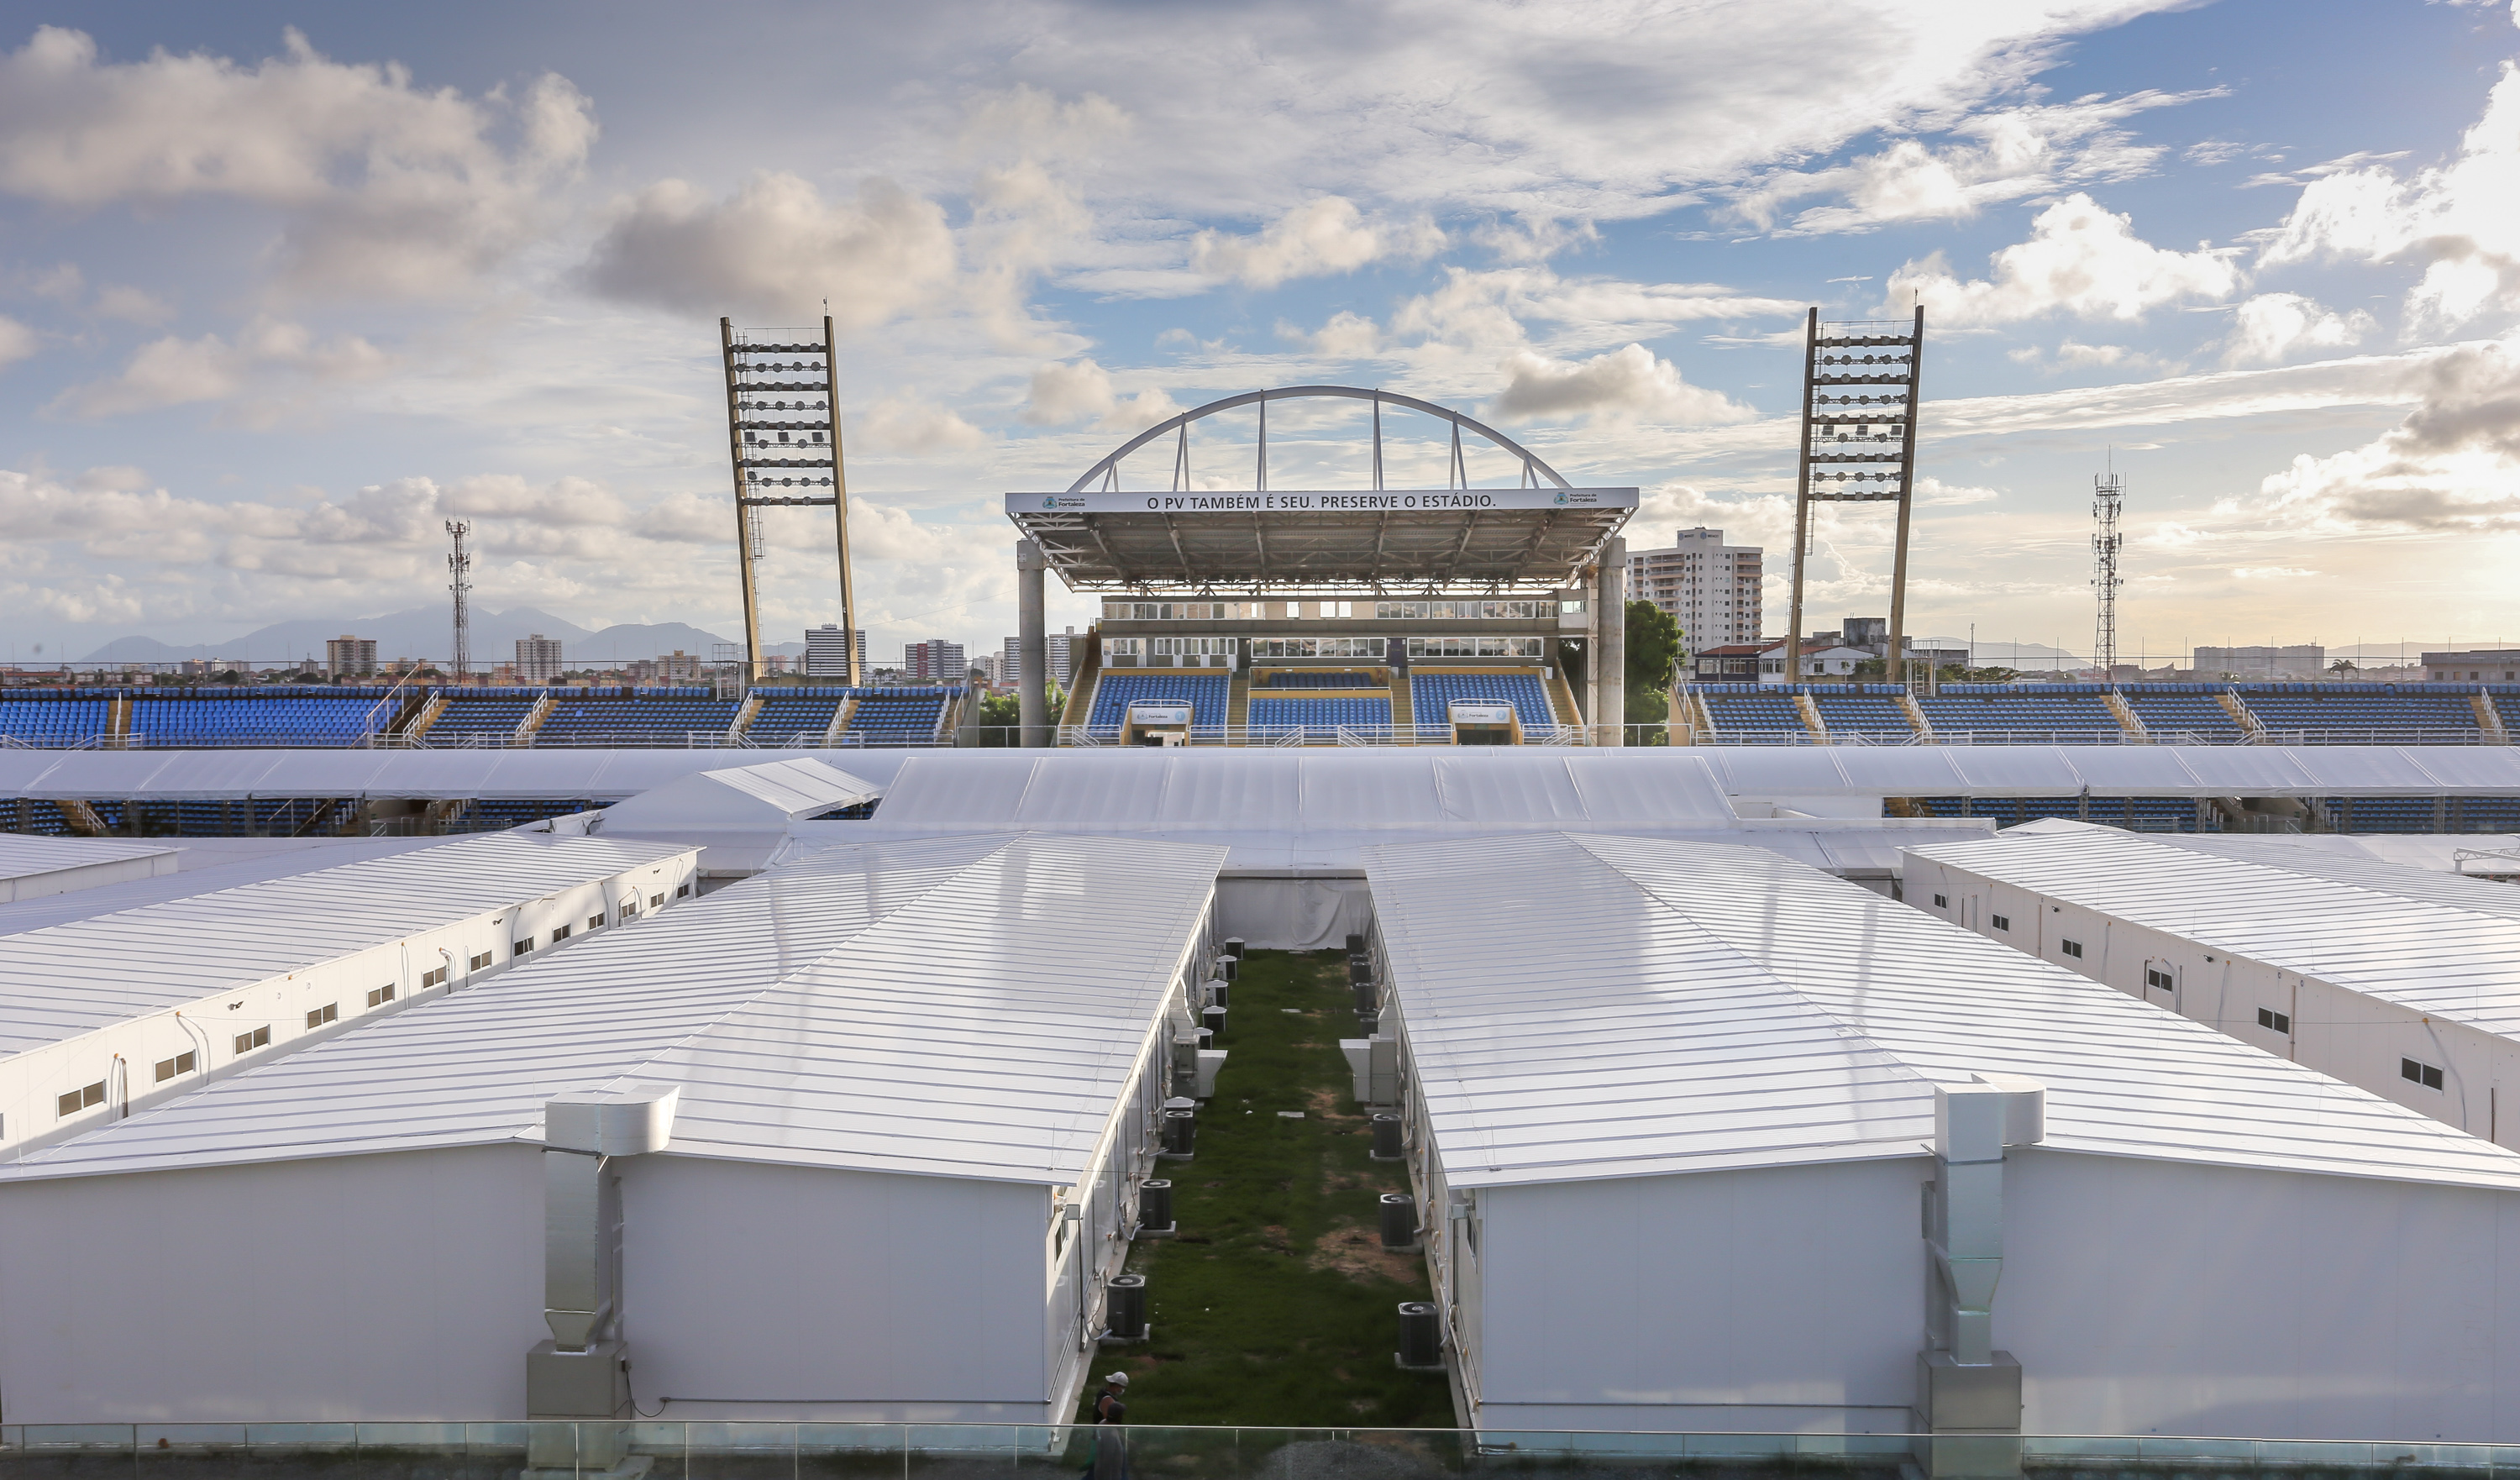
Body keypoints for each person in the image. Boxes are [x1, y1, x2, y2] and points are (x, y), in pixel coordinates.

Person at [1083, 1372, 1129, 1480]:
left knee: (1097, 1466)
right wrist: (1125, 1439)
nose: (1122, 1390)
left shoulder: (1102, 1393)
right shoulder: (1108, 1400)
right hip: (1106, 1438)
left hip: (1101, 1436)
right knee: (1118, 1463)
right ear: (1117, 1386)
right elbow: (1110, 1423)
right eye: (1122, 1387)